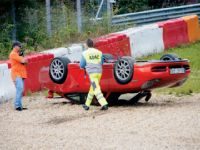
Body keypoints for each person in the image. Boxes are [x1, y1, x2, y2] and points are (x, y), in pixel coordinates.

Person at [80, 39, 108, 111]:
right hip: (99, 73)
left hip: (92, 74)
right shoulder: (99, 52)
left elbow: (82, 65)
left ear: (86, 45)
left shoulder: (85, 53)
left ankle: (104, 103)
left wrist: (84, 66)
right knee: (93, 87)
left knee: (95, 88)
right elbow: (102, 62)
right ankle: (87, 105)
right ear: (93, 44)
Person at [9, 41, 28, 111]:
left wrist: (23, 58)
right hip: (16, 74)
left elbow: (26, 62)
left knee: (20, 89)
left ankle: (19, 105)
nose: (20, 47)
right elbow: (24, 61)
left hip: (20, 74)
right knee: (19, 89)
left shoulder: (17, 54)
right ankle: (17, 106)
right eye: (19, 46)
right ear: (15, 46)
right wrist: (23, 58)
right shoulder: (13, 54)